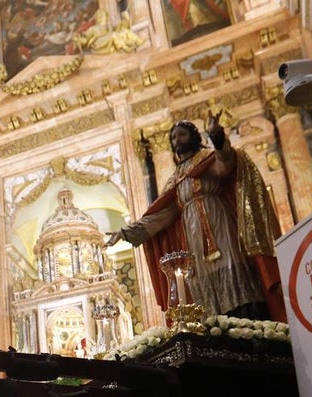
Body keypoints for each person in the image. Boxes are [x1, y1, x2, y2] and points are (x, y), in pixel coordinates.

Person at [106, 115, 285, 321]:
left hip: (220, 223)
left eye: (181, 135)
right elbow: (160, 216)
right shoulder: (176, 179)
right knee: (203, 280)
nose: (177, 140)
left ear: (194, 136)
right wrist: (125, 232)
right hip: (193, 237)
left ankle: (250, 324)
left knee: (232, 268)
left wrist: (217, 138)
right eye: (173, 137)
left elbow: (225, 164)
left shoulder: (207, 160)